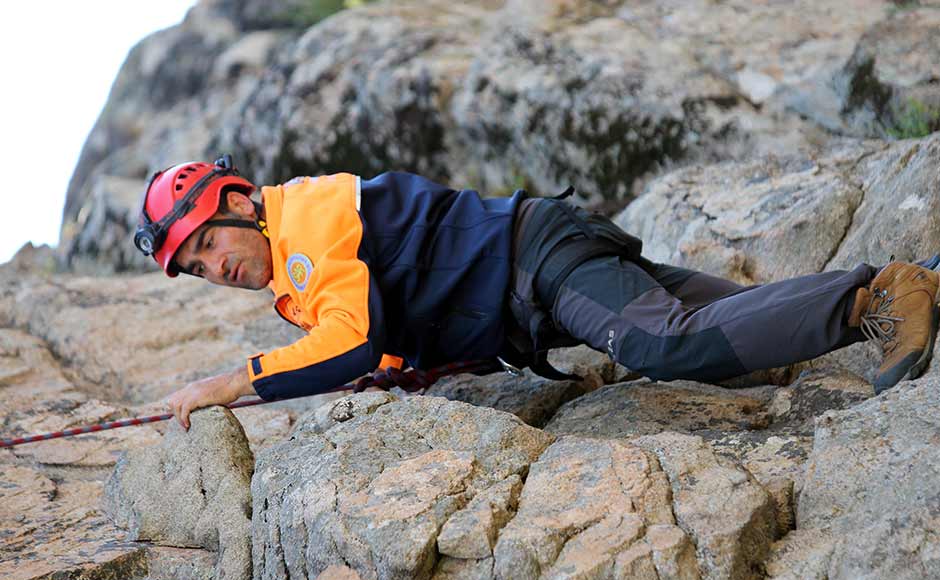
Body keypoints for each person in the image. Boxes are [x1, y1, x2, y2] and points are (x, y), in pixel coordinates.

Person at [135, 155, 940, 429]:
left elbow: (343, 341)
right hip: (543, 274)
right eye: (198, 266)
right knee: (703, 329)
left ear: (239, 201)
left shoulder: (304, 221)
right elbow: (370, 345)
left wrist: (231, 381)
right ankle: (897, 291)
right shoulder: (299, 276)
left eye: (209, 241)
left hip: (539, 264)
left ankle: (879, 300)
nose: (216, 265)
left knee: (661, 344)